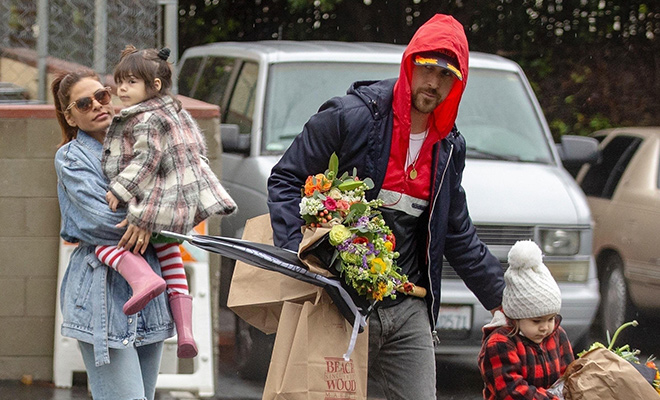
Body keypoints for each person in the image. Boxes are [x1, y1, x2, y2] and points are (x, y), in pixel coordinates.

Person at [268, 13, 505, 399]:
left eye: (447, 75)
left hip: (408, 307)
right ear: (409, 63)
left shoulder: (448, 148)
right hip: (338, 301)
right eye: (426, 68)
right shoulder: (350, 117)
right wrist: (301, 258)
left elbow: (457, 234)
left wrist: (505, 301)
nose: (433, 82)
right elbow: (286, 179)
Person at [98, 45, 237, 359]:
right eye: (119, 81)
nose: (121, 89)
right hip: (179, 201)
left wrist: (120, 188)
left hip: (155, 201)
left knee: (102, 241)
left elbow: (147, 160)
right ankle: (186, 331)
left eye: (130, 82)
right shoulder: (175, 112)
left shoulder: (147, 118)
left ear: (154, 86)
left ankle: (144, 280)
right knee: (171, 255)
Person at [53, 68, 175, 400]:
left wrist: (147, 218)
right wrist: (152, 217)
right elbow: (100, 222)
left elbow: (184, 202)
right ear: (71, 116)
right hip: (100, 298)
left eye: (102, 95)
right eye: (84, 103)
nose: (97, 104)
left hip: (151, 298)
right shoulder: (71, 159)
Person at [478, 240, 574, 399]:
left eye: (551, 319)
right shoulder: (500, 344)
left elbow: (569, 376)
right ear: (516, 317)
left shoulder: (557, 335)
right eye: (537, 321)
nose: (545, 327)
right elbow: (511, 391)